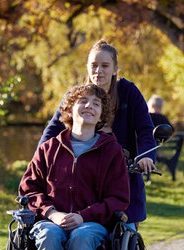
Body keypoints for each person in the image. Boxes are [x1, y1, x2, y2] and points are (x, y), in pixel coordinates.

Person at [19, 83, 130, 250]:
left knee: (80, 240)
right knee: (48, 236)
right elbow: (28, 188)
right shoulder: (49, 148)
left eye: (96, 103)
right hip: (51, 221)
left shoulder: (111, 151)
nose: (89, 106)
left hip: (90, 223)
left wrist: (84, 215)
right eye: (83, 101)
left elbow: (119, 199)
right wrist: (51, 212)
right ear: (69, 109)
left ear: (102, 114)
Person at [38, 39, 157, 227]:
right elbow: (53, 129)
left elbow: (144, 129)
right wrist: (41, 158)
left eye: (105, 65)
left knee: (125, 227)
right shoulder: (77, 95)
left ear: (115, 68)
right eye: (94, 65)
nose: (98, 71)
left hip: (121, 170)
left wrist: (146, 157)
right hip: (86, 173)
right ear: (87, 67)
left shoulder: (129, 92)